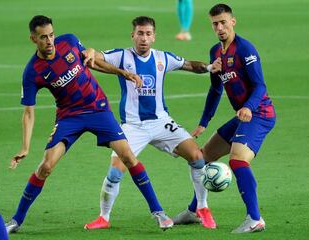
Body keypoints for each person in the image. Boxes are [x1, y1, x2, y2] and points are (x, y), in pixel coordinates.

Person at [5, 15, 174, 234]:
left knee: (128, 157)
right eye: (43, 37)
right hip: (69, 117)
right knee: (46, 166)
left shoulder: (70, 42)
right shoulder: (32, 72)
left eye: (51, 35)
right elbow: (28, 113)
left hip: (98, 109)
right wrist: (25, 147)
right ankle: (16, 220)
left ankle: (159, 212)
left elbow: (93, 62)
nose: (49, 41)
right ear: (33, 39)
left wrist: (124, 73)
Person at [83, 16, 221, 230]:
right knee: (115, 171)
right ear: (133, 35)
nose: (144, 38)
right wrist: (91, 50)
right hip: (132, 126)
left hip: (161, 122)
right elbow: (97, 57)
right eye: (140, 33)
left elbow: (190, 65)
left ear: (154, 37)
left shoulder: (162, 58)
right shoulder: (122, 56)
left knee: (197, 156)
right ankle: (104, 217)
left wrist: (210, 67)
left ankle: (202, 207)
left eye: (148, 34)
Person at [173, 4, 276, 234]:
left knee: (238, 161)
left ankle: (255, 218)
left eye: (223, 22)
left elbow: (260, 86)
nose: (220, 27)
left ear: (233, 22)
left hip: (260, 113)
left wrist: (249, 107)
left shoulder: (245, 49)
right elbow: (216, 90)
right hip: (243, 116)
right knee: (202, 158)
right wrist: (203, 122)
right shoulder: (215, 53)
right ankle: (194, 211)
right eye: (215, 24)